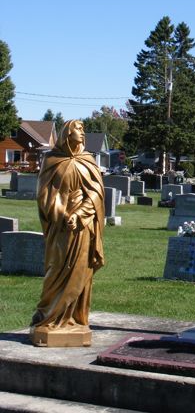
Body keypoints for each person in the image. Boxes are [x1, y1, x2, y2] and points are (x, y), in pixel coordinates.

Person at [30, 120, 105, 345]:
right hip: (60, 229)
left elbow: (97, 193)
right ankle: (48, 316)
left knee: (80, 270)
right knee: (58, 268)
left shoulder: (88, 160)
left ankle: (73, 319)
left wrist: (80, 214)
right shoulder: (52, 160)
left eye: (82, 129)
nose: (82, 133)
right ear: (67, 133)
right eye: (79, 129)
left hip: (83, 227)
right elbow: (44, 195)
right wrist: (63, 215)